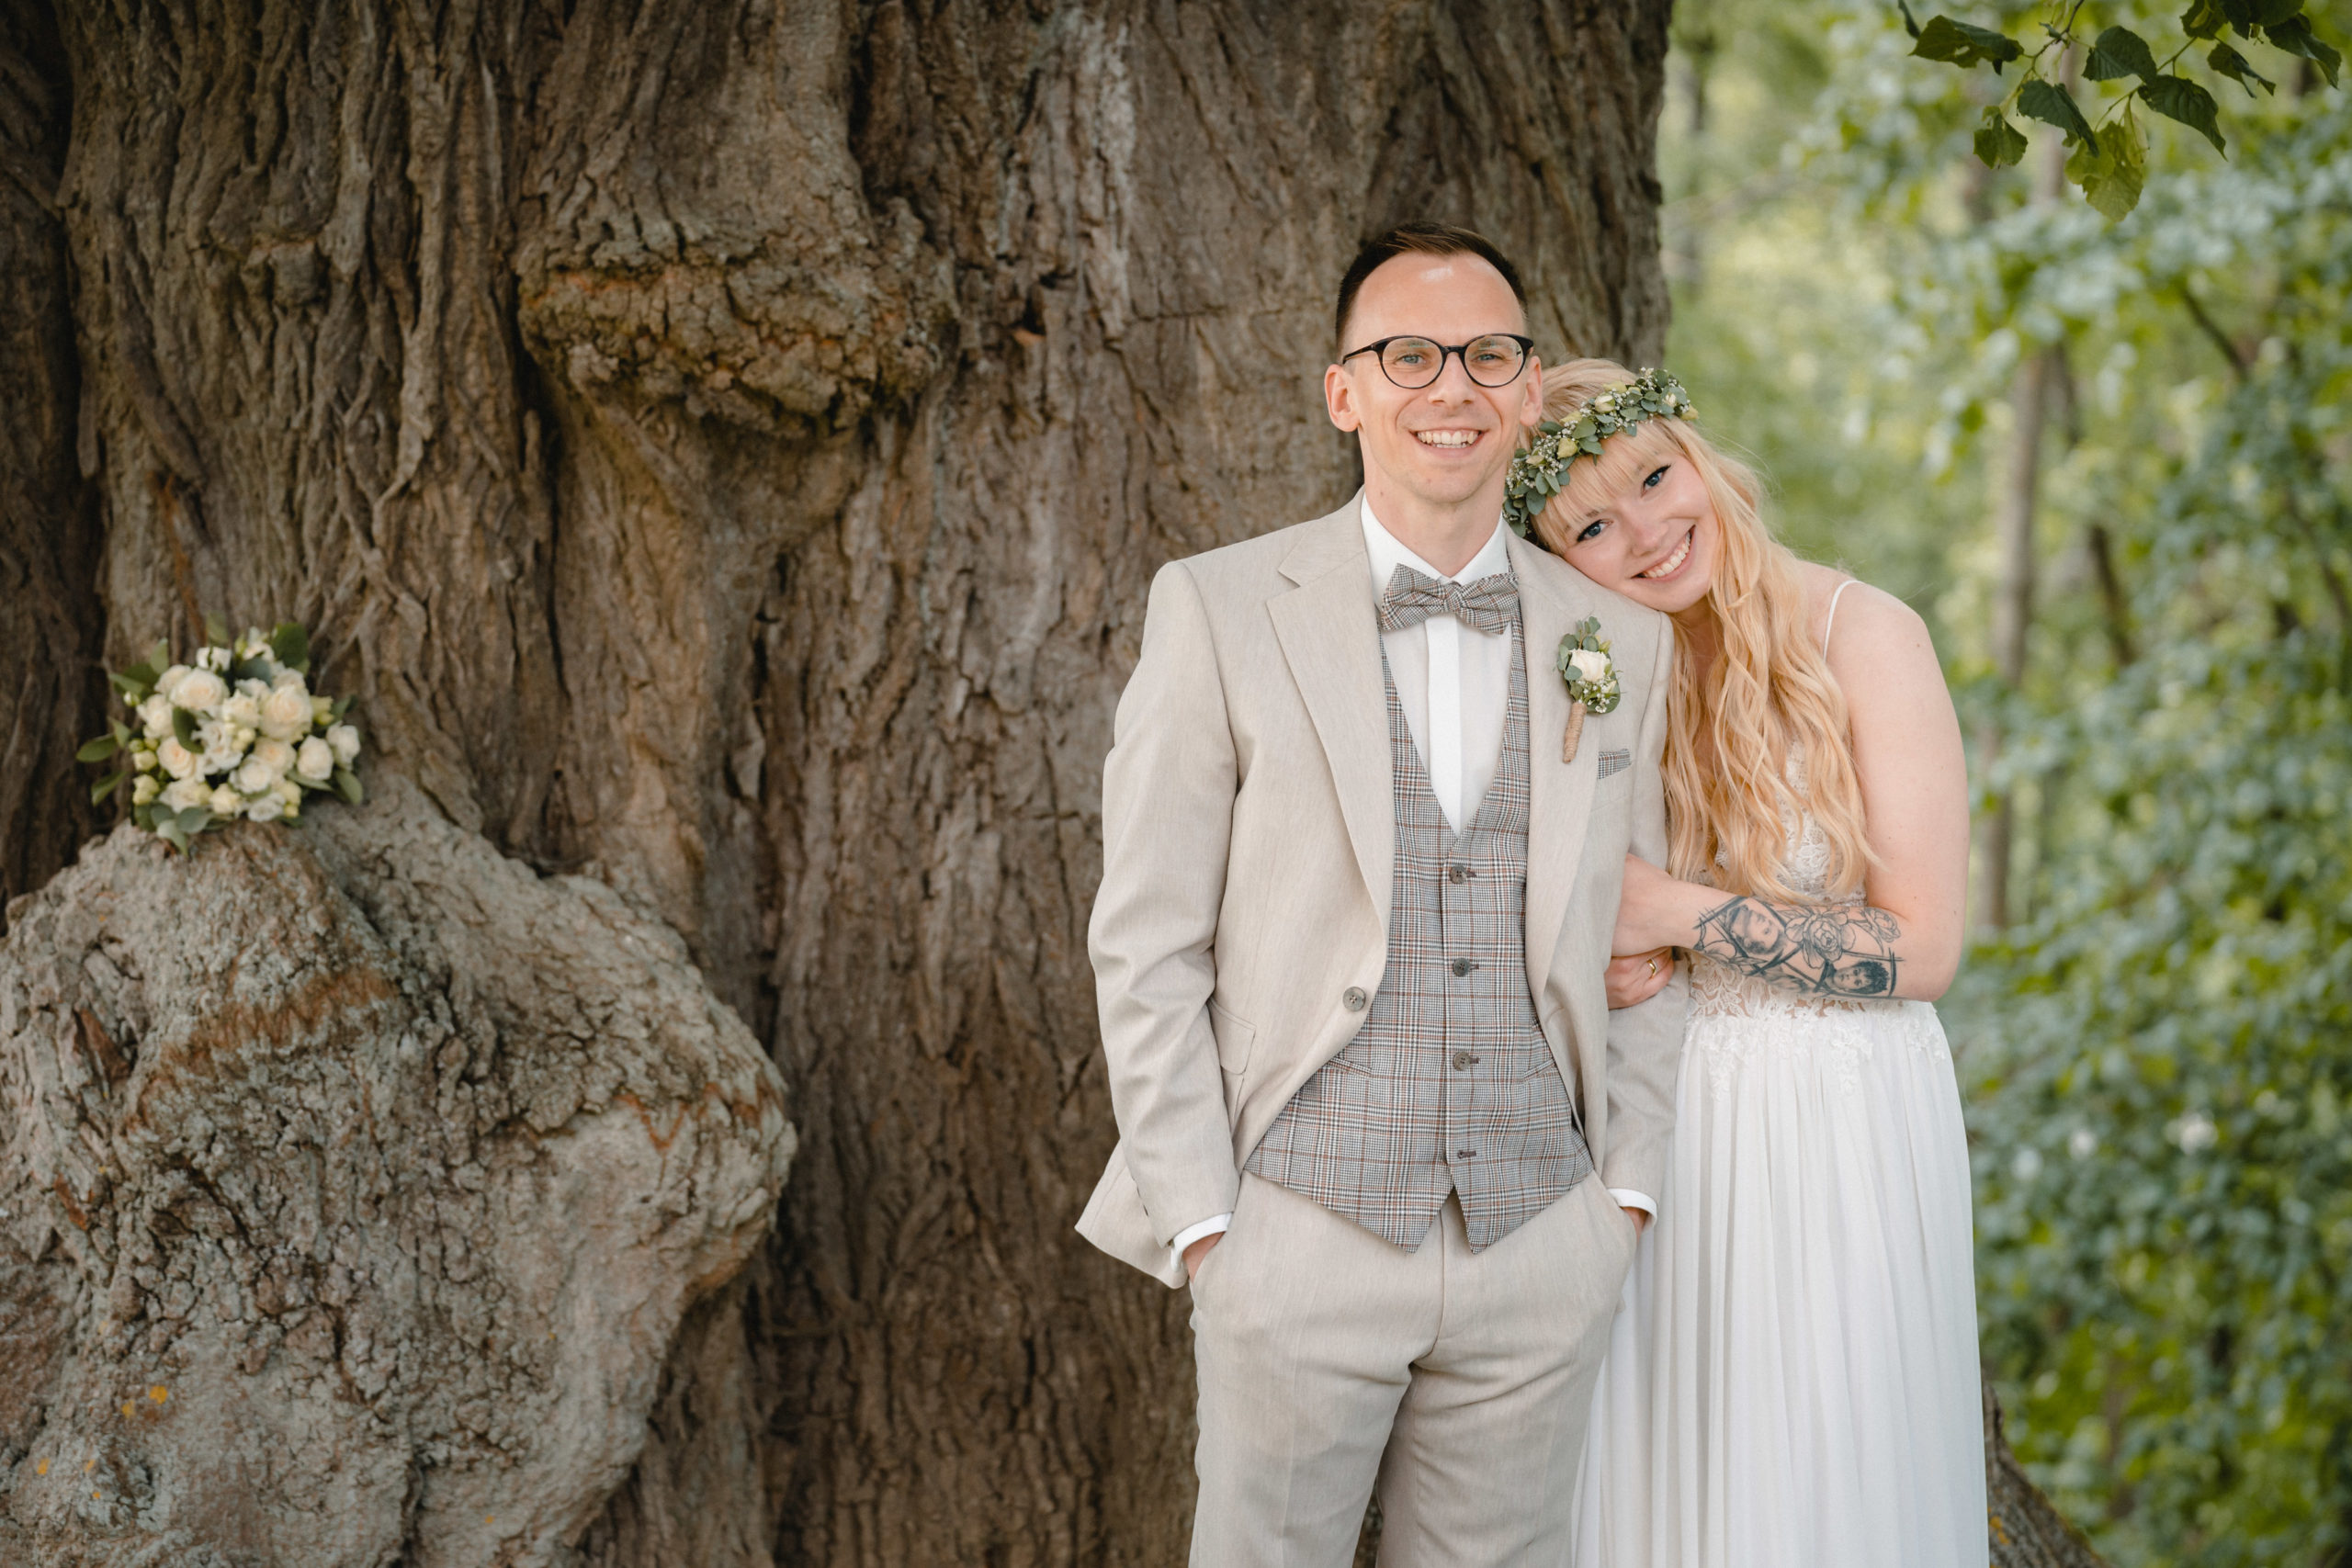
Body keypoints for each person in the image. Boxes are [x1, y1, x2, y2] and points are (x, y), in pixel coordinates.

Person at [1076, 225, 1688, 1565]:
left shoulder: (1620, 644)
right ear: (1345, 389)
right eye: (1408, 355)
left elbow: (1645, 942)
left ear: (1532, 389)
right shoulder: (1221, 609)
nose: (1450, 387)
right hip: (1292, 1231)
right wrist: (1205, 1226)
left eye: (1487, 355)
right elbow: (1146, 938)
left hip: (1543, 1238)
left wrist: (1622, 1202)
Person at [1517, 359, 1987, 1567]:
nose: (1651, 534)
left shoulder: (1864, 634)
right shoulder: (1596, 681)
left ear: (1698, 455)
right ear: (1557, 559)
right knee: (1665, 1489)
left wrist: (1670, 910)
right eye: (1594, 525)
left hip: (1842, 1120)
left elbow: (1922, 943)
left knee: (1820, 1478)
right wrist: (1613, 962)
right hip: (1659, 1129)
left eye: (1658, 478)